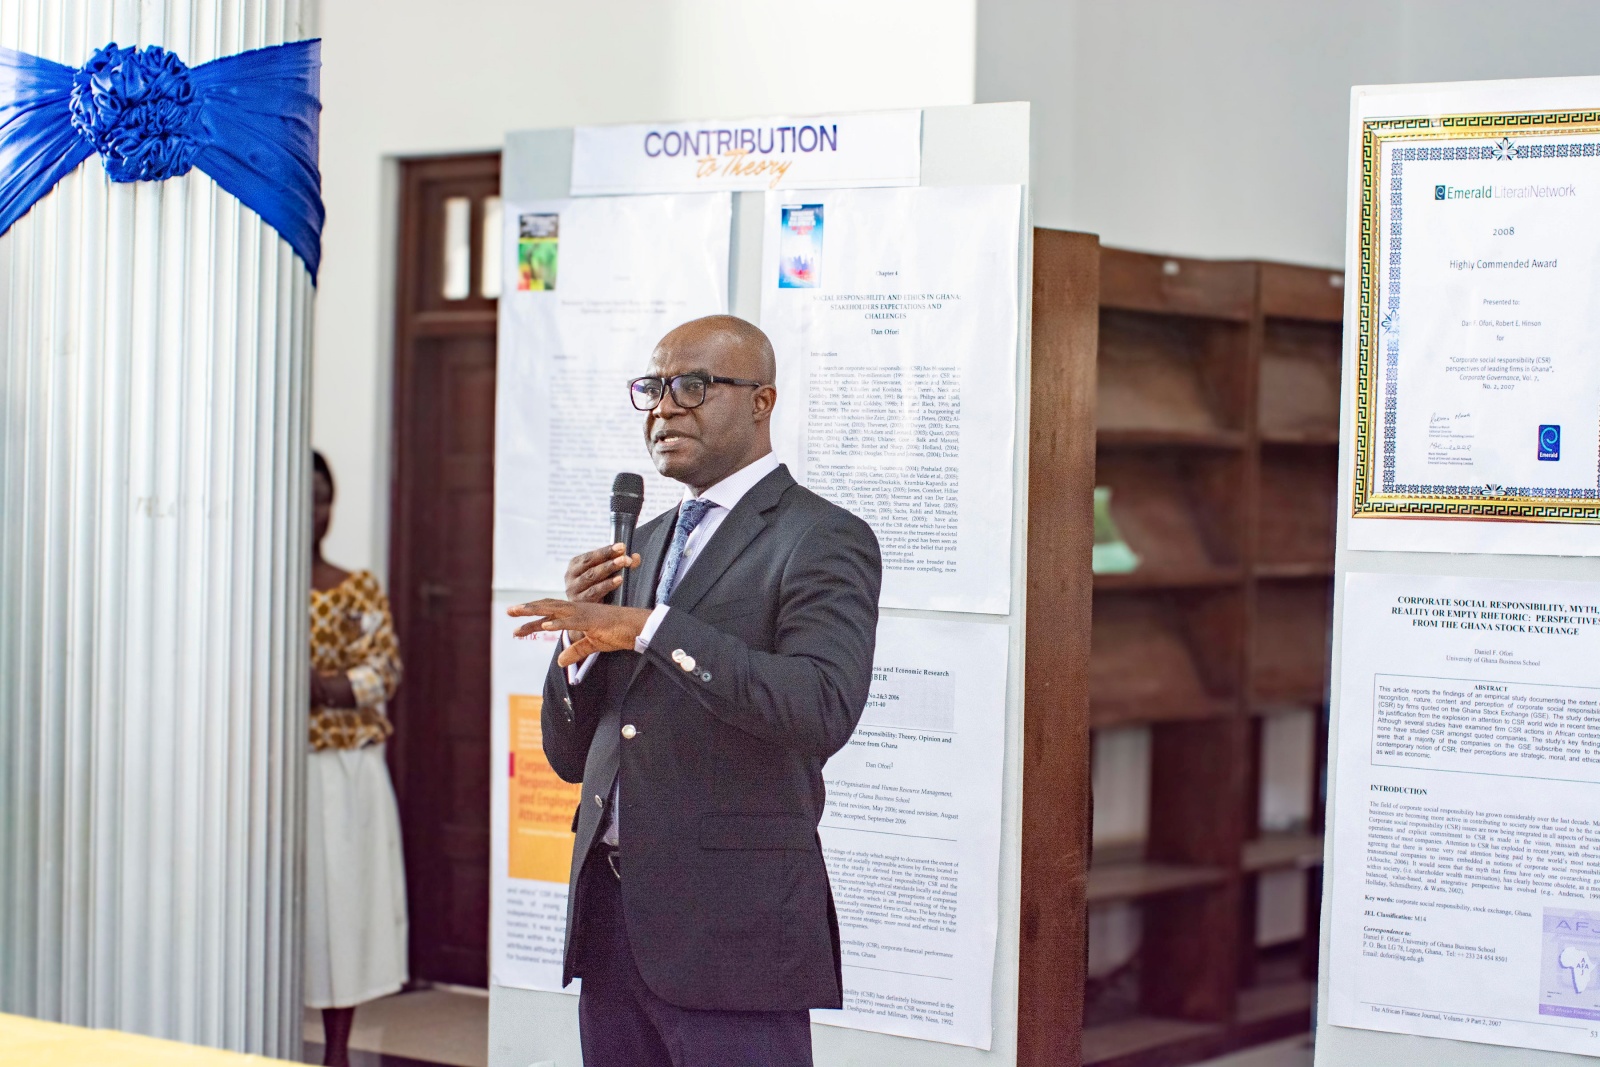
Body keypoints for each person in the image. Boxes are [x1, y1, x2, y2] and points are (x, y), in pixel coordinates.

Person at [507, 315, 882, 1067]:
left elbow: (819, 705)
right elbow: (574, 756)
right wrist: (577, 651)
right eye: (652, 388)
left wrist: (651, 628)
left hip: (733, 937)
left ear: (761, 400)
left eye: (692, 385)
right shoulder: (640, 541)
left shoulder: (821, 536)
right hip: (615, 927)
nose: (663, 408)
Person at [305, 451, 409, 1067]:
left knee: (341, 908)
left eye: (324, 497)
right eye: (304, 497)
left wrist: (318, 686)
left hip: (341, 770)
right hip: (271, 772)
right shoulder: (247, 582)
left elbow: (383, 670)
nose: (315, 512)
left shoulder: (356, 587)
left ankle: (337, 1052)